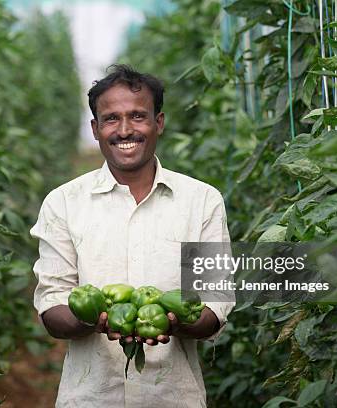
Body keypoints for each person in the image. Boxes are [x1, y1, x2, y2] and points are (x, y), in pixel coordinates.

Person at [30, 64, 234, 407]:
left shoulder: (202, 201)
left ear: (159, 123)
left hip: (173, 397)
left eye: (138, 116)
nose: (125, 130)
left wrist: (176, 321)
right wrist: (93, 319)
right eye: (111, 119)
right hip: (90, 398)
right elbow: (52, 305)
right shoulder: (63, 203)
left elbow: (215, 303)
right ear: (95, 129)